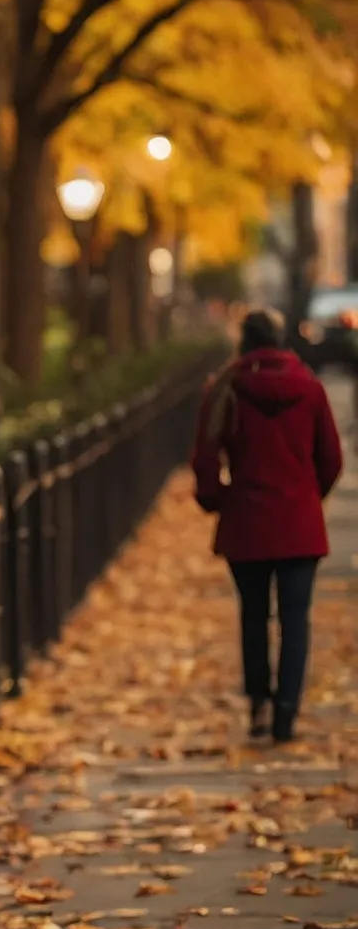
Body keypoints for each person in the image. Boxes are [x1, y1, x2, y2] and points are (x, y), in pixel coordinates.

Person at [192, 308, 343, 743]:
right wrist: (309, 497)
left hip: (247, 523)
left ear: (243, 342)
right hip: (299, 525)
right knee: (296, 619)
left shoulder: (226, 389)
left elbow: (204, 457)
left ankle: (258, 702)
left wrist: (217, 499)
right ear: (280, 340)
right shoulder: (309, 388)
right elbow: (330, 458)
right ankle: (287, 713)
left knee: (253, 615)